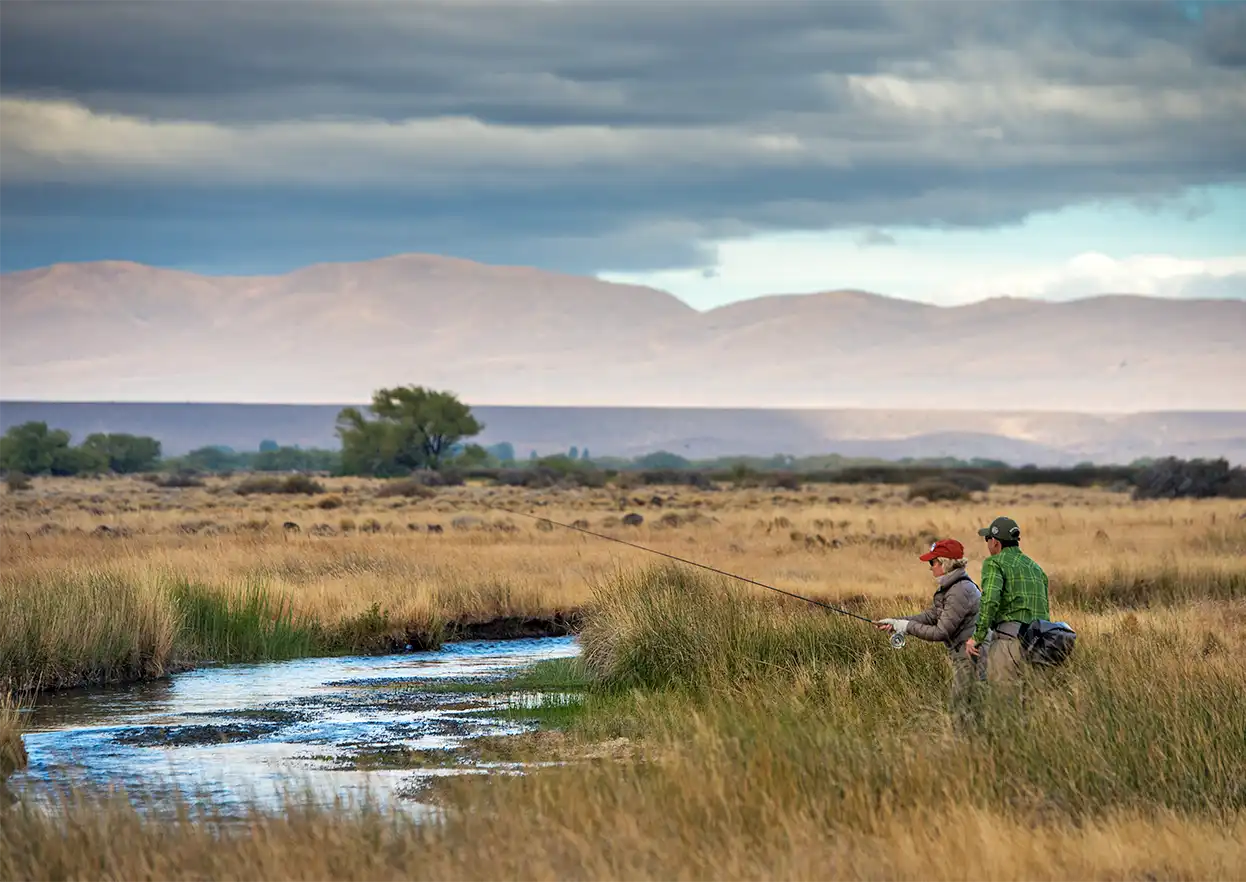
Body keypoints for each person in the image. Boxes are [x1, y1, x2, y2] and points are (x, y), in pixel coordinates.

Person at [876, 538, 982, 715]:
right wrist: (896, 623)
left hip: (970, 657)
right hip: (964, 655)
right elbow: (933, 615)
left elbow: (941, 632)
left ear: (944, 563)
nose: (930, 567)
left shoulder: (959, 590)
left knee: (961, 710)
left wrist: (907, 626)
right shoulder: (954, 587)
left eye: (933, 562)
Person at [965, 515, 1050, 686]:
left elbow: (990, 601)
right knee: (1032, 703)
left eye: (987, 539)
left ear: (995, 542)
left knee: (1003, 705)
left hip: (1009, 643)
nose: (987, 544)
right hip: (1040, 645)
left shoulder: (994, 563)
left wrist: (977, 637)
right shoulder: (1036, 568)